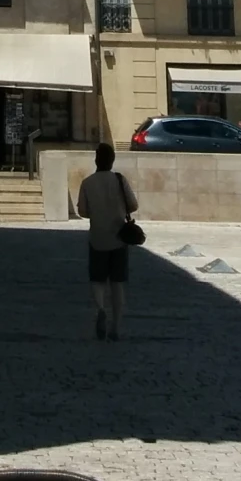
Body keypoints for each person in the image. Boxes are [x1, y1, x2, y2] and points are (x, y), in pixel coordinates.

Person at [76, 140, 138, 341]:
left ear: (96, 160)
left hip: (98, 238)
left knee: (98, 280)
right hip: (119, 237)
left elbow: (83, 211)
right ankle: (116, 326)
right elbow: (133, 205)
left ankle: (101, 309)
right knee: (117, 283)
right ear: (112, 161)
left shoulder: (87, 183)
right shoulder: (120, 180)